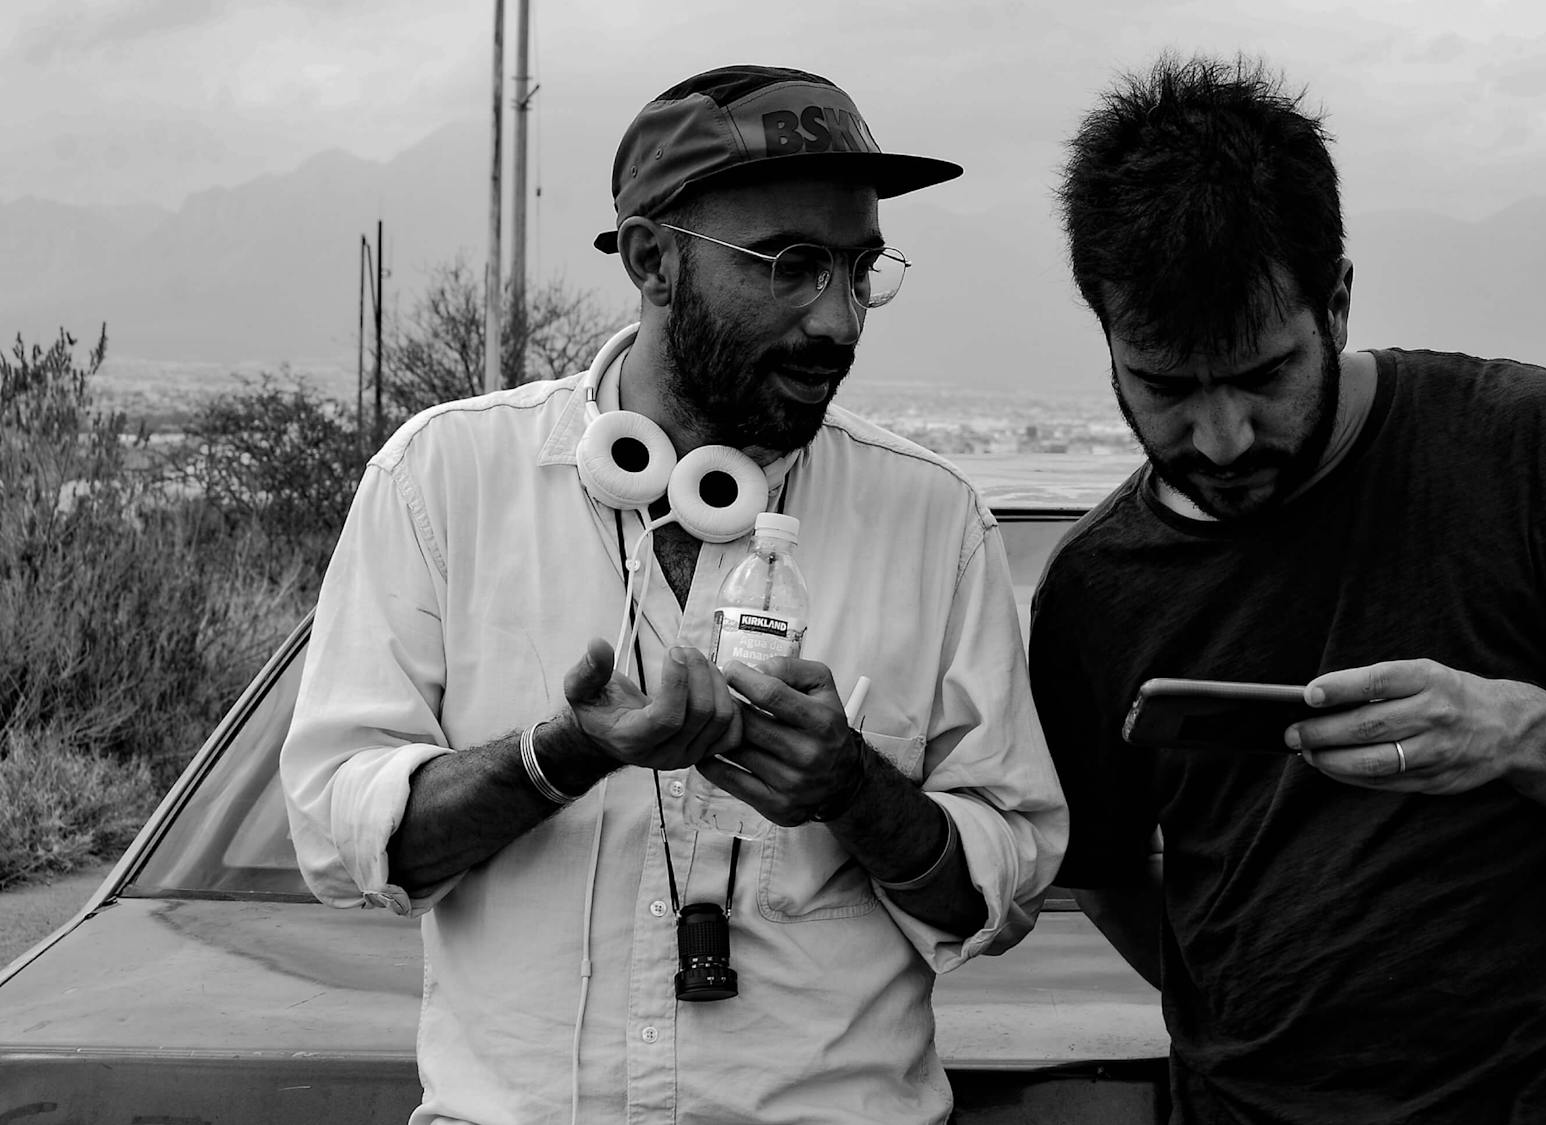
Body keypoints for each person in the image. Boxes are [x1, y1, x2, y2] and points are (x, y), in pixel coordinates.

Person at [282, 64, 1065, 1125]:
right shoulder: (444, 480)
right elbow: (341, 838)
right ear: (652, 260)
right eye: (791, 265)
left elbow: (1002, 887)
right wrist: (562, 755)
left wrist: (853, 792)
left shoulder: (933, 523)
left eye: (859, 268)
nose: (837, 319)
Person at [1031, 54, 1546, 1125]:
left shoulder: (1527, 444)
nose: (1221, 437)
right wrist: (1248, 1016)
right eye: (1164, 387)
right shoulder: (1095, 587)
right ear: (1103, 333)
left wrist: (1510, 728)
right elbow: (1102, 872)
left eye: (1261, 375)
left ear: (1335, 304)